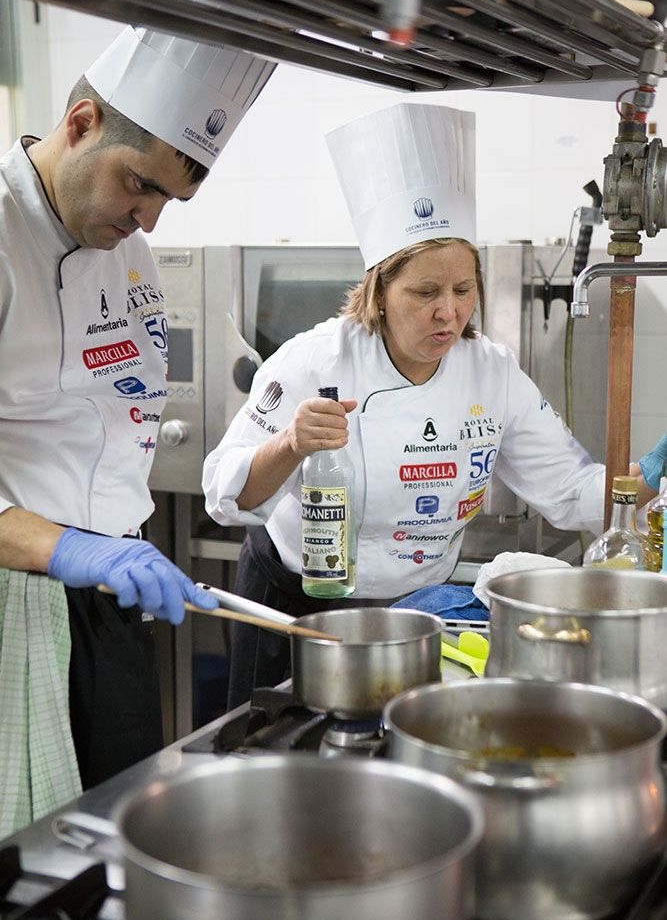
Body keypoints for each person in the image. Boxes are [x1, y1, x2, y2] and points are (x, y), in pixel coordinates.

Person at [202, 102, 667, 710]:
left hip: (416, 617)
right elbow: (222, 491)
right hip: (296, 608)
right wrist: (289, 445)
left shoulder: (492, 373)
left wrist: (632, 488)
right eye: (425, 292)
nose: (448, 312)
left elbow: (565, 487)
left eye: (463, 289)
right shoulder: (311, 361)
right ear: (379, 291)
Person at [0, 25, 275, 834]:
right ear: (81, 122)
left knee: (117, 831)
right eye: (137, 183)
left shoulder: (124, 244)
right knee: (33, 858)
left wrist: (115, 542)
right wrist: (70, 547)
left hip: (108, 602)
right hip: (19, 604)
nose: (147, 218)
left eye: (168, 200)